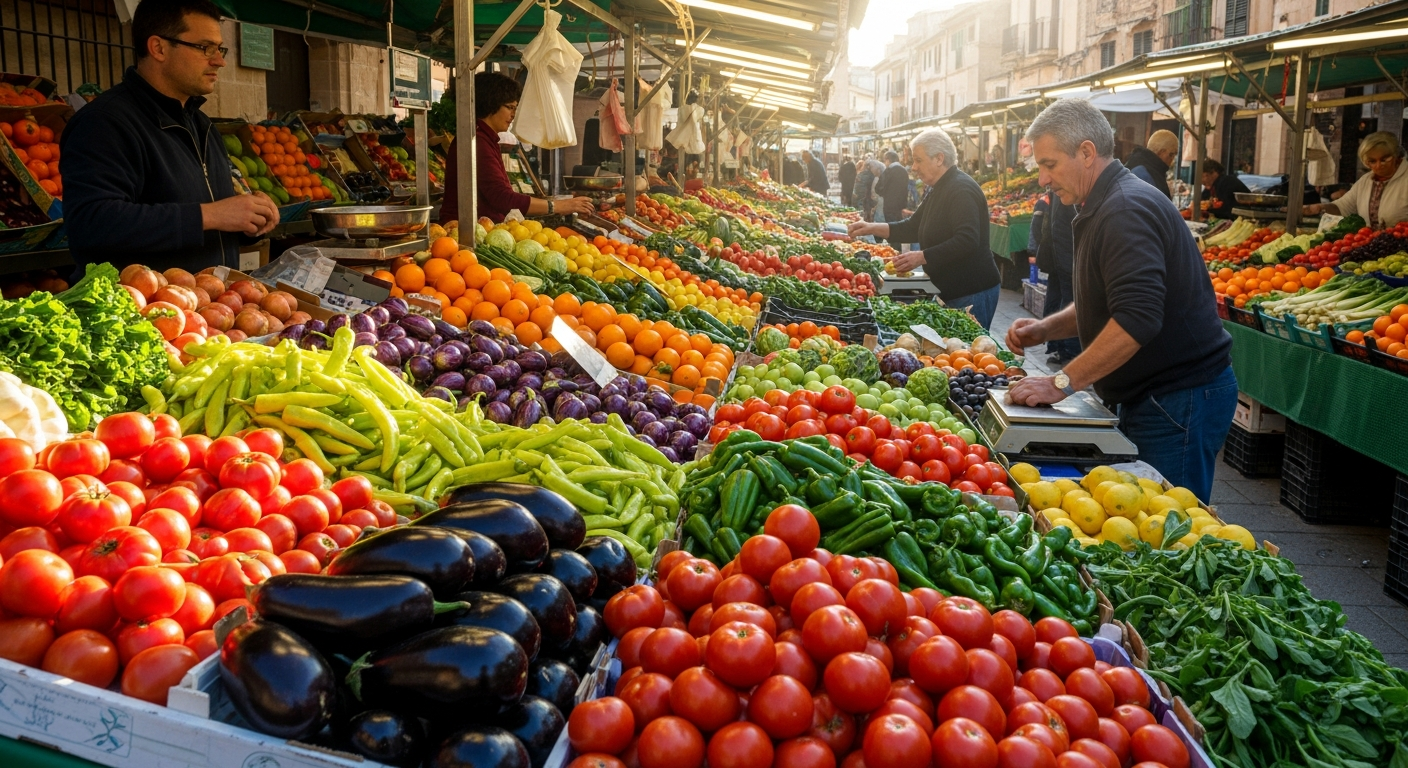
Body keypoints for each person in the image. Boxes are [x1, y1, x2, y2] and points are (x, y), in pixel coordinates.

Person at [1005, 99, 1236, 502]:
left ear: (1087, 152)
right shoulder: (1105, 203)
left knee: (1169, 523)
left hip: (1177, 397)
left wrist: (1062, 383)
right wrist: (1046, 328)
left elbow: (1136, 318)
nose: (1043, 179)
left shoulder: (1124, 210)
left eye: (1050, 164)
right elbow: (1109, 301)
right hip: (1156, 395)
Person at [61, 0, 279, 273]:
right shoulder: (104, 122)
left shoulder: (201, 124)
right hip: (147, 311)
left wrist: (249, 221)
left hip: (210, 308)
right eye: (205, 48)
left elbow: (208, 219)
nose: (220, 61)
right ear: (158, 48)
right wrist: (210, 215)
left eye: (219, 48)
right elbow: (91, 223)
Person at [847, 129, 1002, 328]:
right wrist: (870, 227)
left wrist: (922, 256)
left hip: (972, 291)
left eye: (918, 160)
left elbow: (967, 240)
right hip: (952, 290)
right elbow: (912, 226)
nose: (914, 167)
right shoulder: (939, 187)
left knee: (967, 352)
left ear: (939, 158)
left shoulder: (961, 190)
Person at [441, 72, 594, 224]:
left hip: (481, 228)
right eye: (510, 107)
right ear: (490, 103)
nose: (514, 114)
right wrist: (557, 206)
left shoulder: (485, 139)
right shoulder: (477, 142)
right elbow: (502, 198)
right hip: (463, 233)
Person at [1305, 132, 1408, 227]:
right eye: (1372, 161)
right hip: (1373, 244)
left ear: (1396, 156)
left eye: (1384, 160)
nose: (1378, 165)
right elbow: (1343, 206)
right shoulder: (1365, 181)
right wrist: (1319, 208)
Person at [1027, 190, 1080, 364]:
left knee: (1056, 297)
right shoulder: (1068, 195)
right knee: (1069, 301)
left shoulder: (1055, 196)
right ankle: (1070, 350)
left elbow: (1037, 229)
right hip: (1067, 258)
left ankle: (1056, 345)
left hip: (1057, 257)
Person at [1124, 129, 1178, 199]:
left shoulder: (1142, 166)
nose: (1172, 160)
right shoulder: (1142, 173)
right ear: (1161, 152)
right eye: (1171, 154)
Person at [879, 150, 910, 223]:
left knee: (890, 228)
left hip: (889, 206)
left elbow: (879, 188)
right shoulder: (904, 171)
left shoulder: (888, 171)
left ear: (887, 160)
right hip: (901, 206)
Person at [854, 156, 883, 221]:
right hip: (867, 199)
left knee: (863, 214)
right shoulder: (871, 175)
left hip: (865, 199)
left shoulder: (864, 174)